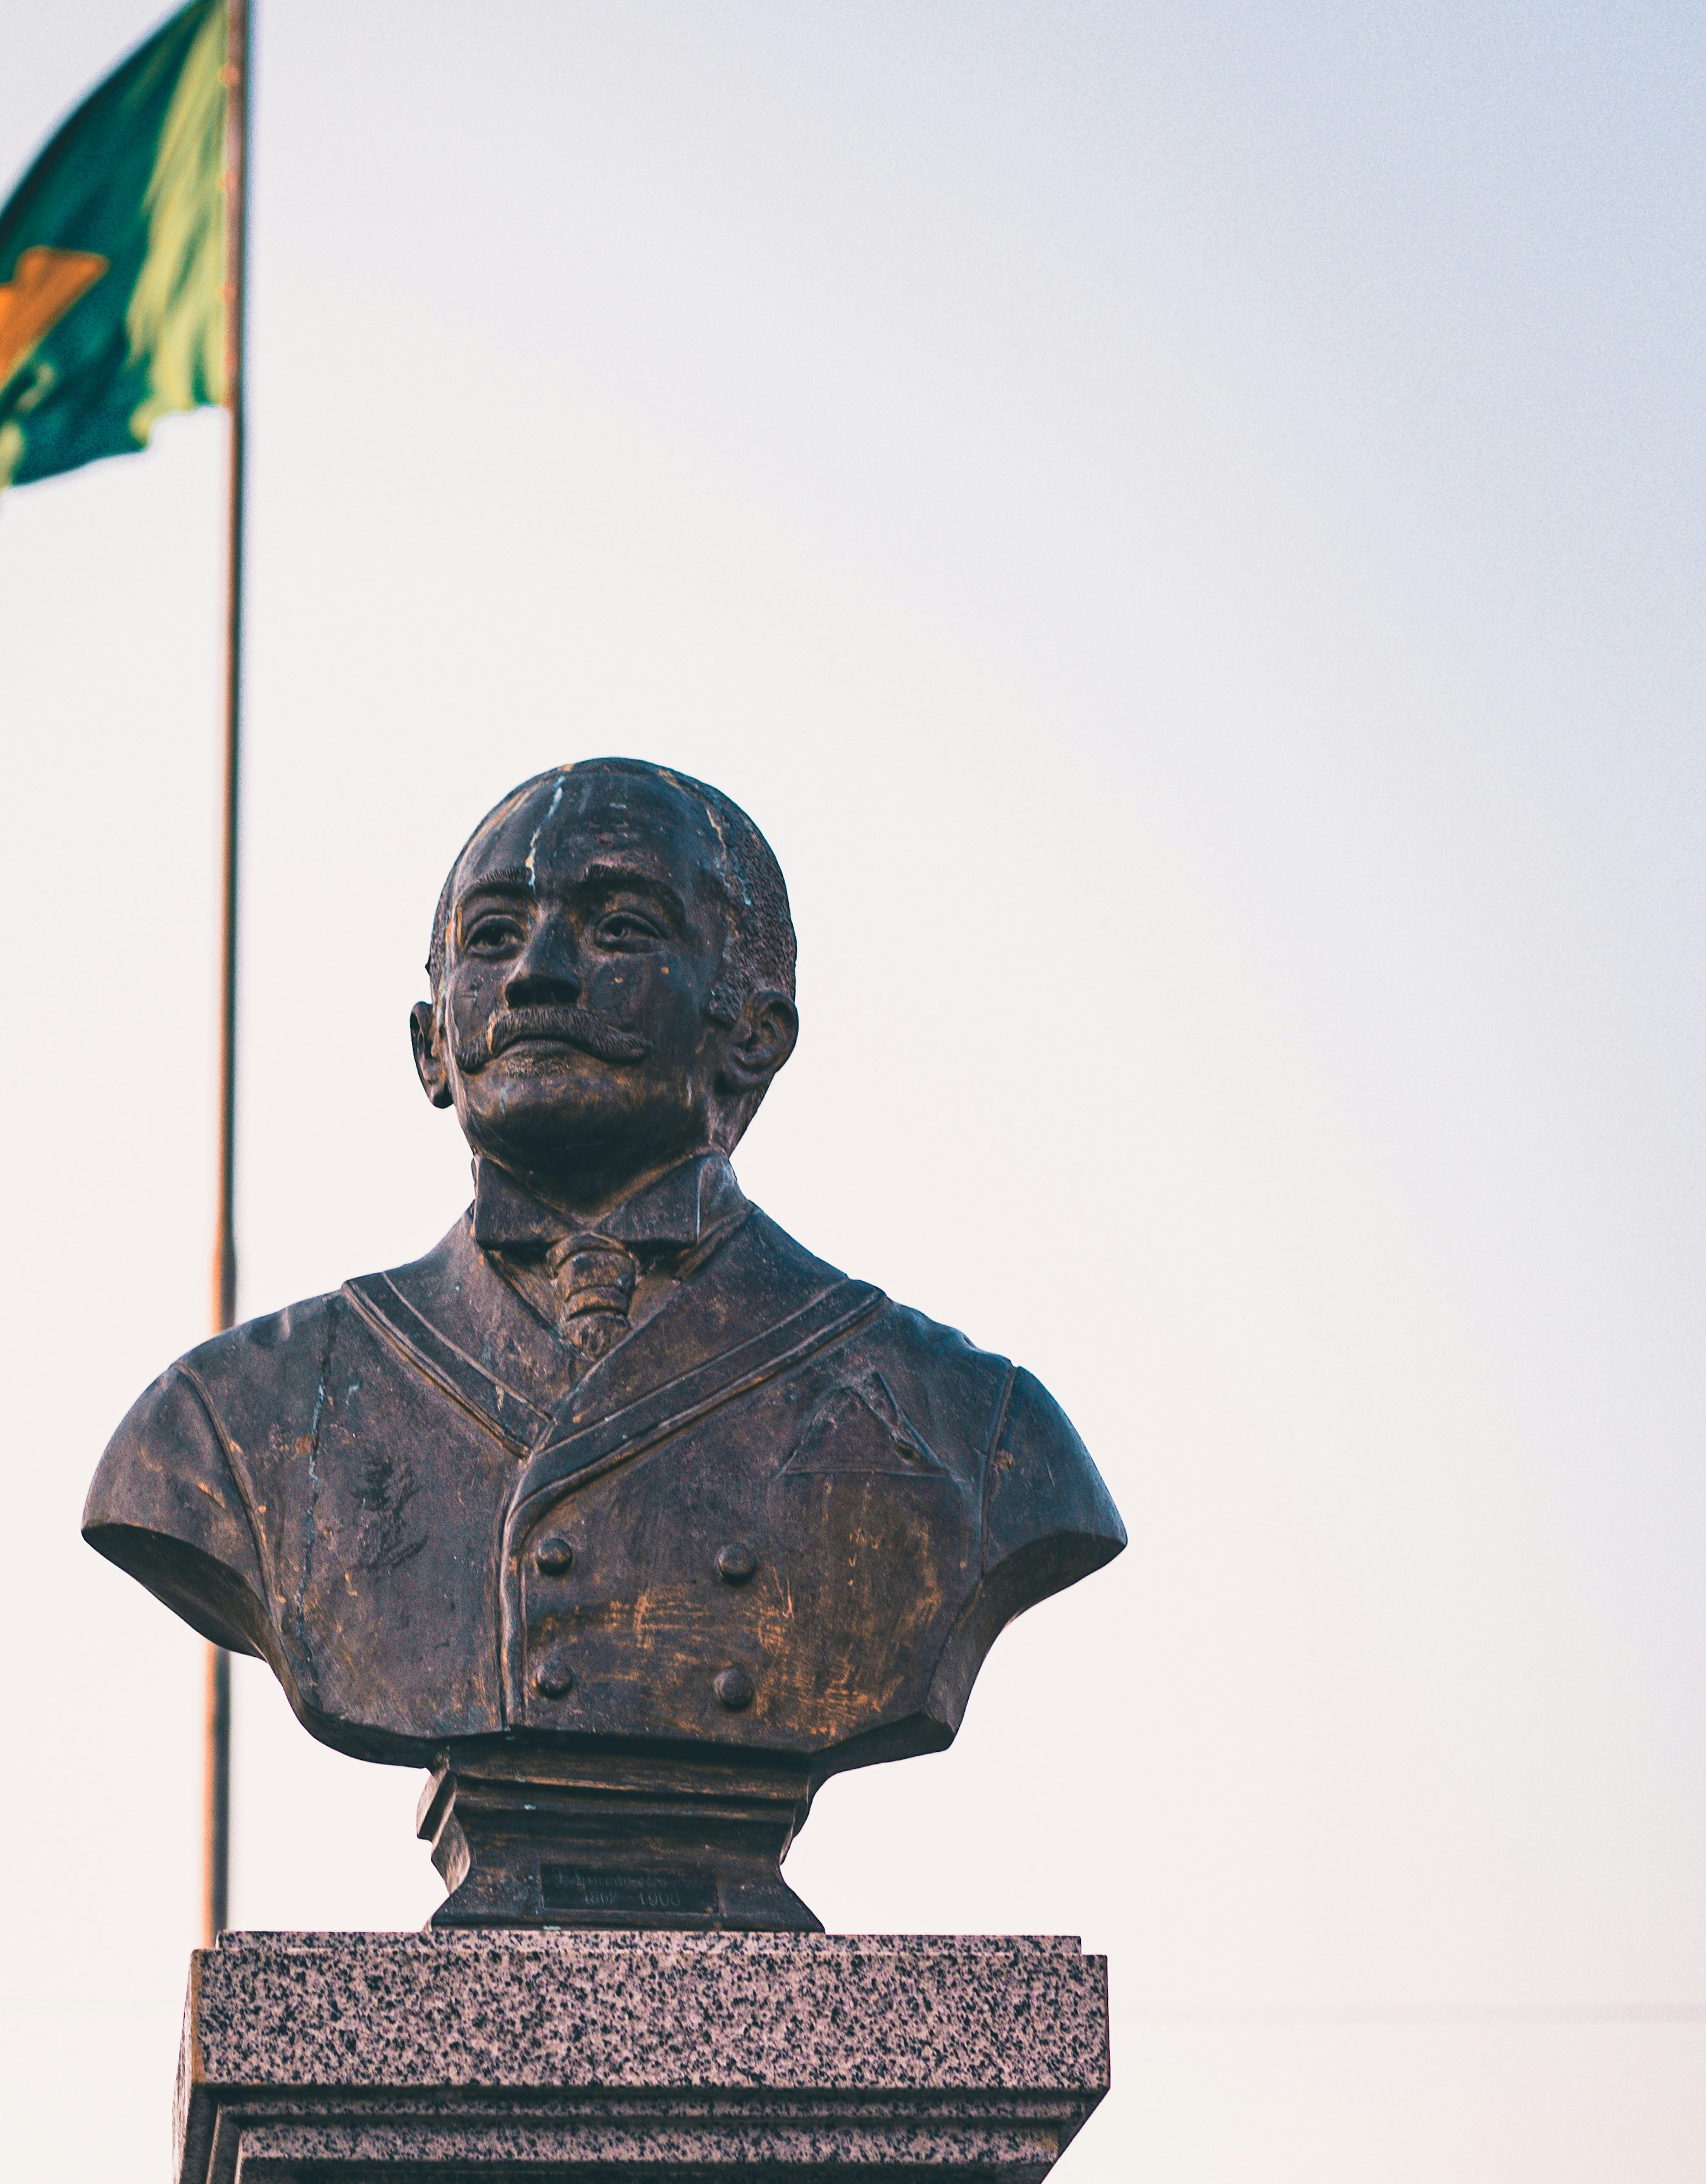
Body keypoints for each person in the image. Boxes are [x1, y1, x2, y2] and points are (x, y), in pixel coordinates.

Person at [84, 758, 1123, 1920]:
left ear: (755, 1032)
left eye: (620, 928)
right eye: (492, 938)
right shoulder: (230, 1429)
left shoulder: (975, 1433)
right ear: (431, 1045)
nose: (536, 978)